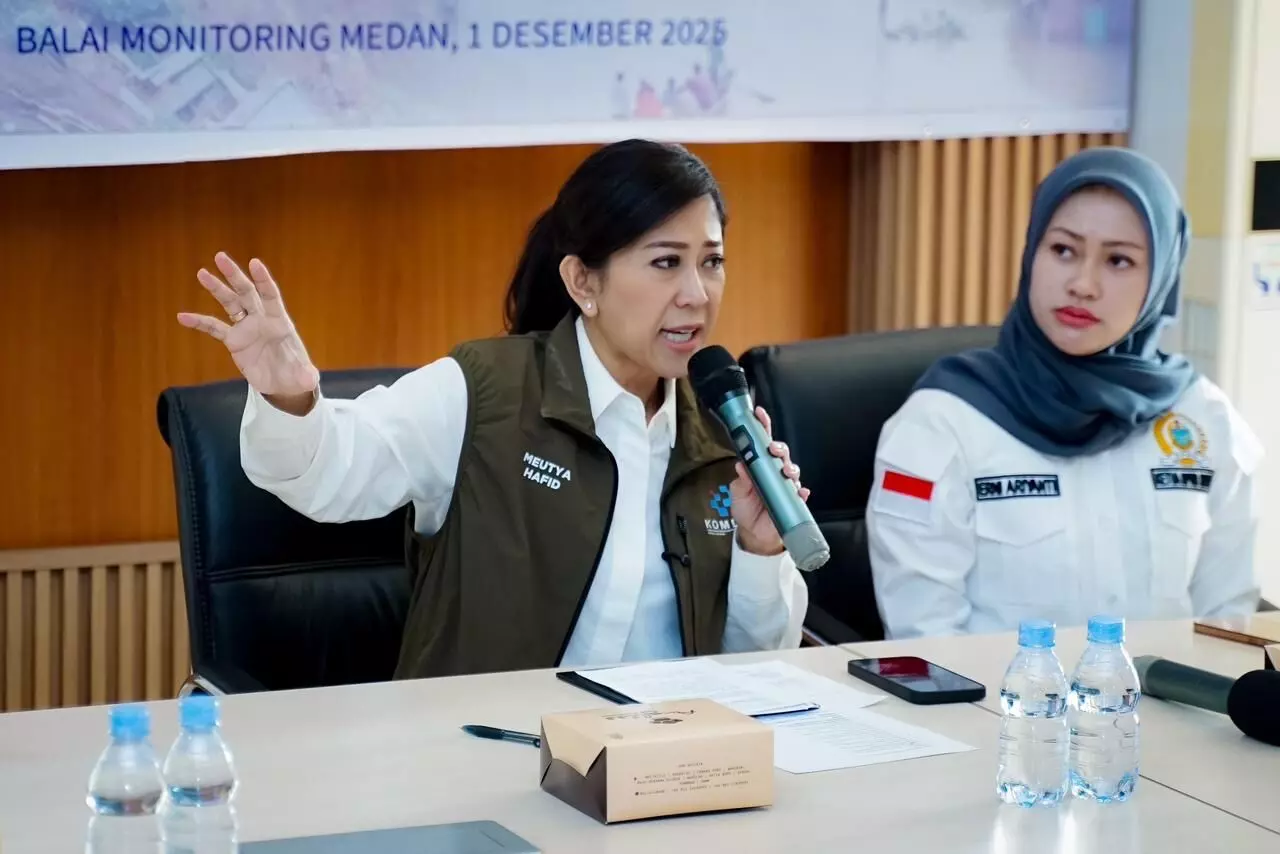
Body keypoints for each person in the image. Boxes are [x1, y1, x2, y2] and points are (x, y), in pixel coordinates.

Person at [177, 139, 809, 679]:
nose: (696, 294)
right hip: (490, 753)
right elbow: (330, 476)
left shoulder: (722, 426)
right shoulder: (481, 394)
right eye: (666, 262)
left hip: (664, 759)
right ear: (582, 281)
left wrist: (759, 550)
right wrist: (288, 393)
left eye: (712, 262)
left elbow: (753, 669)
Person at [866, 146, 1262, 640]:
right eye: (1063, 250)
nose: (1082, 284)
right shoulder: (943, 422)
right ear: (1031, 253)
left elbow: (1229, 623)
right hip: (991, 692)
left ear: (1161, 277)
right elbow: (924, 636)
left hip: (1172, 691)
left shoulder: (1205, 420)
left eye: (1118, 260)